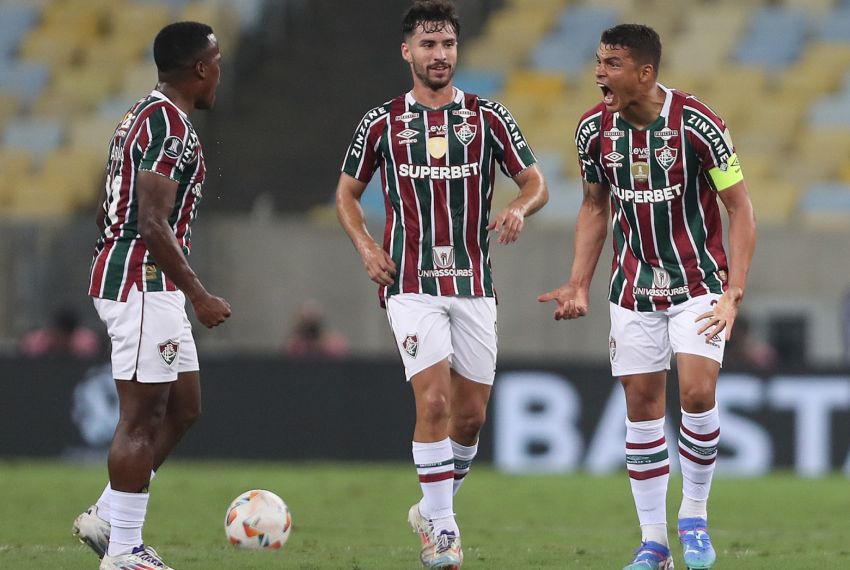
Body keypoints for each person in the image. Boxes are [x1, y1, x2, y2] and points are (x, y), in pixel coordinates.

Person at [336, 2, 548, 567]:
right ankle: (445, 535)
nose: (440, 55)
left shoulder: (488, 117)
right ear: (407, 51)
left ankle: (431, 506)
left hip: (474, 283)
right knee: (432, 400)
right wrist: (366, 245)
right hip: (409, 283)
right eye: (428, 45)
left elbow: (535, 182)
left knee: (471, 416)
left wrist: (520, 208)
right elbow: (347, 195)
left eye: (448, 44)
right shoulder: (381, 122)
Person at [538, 24, 756, 570]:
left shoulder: (699, 124)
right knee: (641, 408)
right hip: (632, 288)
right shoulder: (593, 130)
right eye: (598, 61)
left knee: (699, 394)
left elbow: (741, 209)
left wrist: (734, 292)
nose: (599, 73)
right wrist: (577, 281)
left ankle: (695, 519)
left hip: (698, 282)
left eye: (611, 64)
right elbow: (594, 207)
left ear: (645, 72)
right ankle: (654, 543)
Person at [72, 21, 231, 570]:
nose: (220, 74)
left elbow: (105, 209)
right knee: (142, 416)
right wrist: (201, 296)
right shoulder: (170, 127)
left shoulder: (140, 114)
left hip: (140, 278)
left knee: (184, 406)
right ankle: (123, 552)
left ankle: (109, 514)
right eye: (217, 63)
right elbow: (152, 223)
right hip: (142, 281)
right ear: (201, 69)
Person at [20, 306, 102, 358]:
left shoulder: (85, 343)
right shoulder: (36, 343)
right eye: (59, 335)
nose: (62, 340)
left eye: (66, 336)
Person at [284, 299, 349, 359]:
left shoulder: (332, 344)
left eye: (313, 321)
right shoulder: (296, 344)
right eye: (306, 321)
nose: (309, 325)